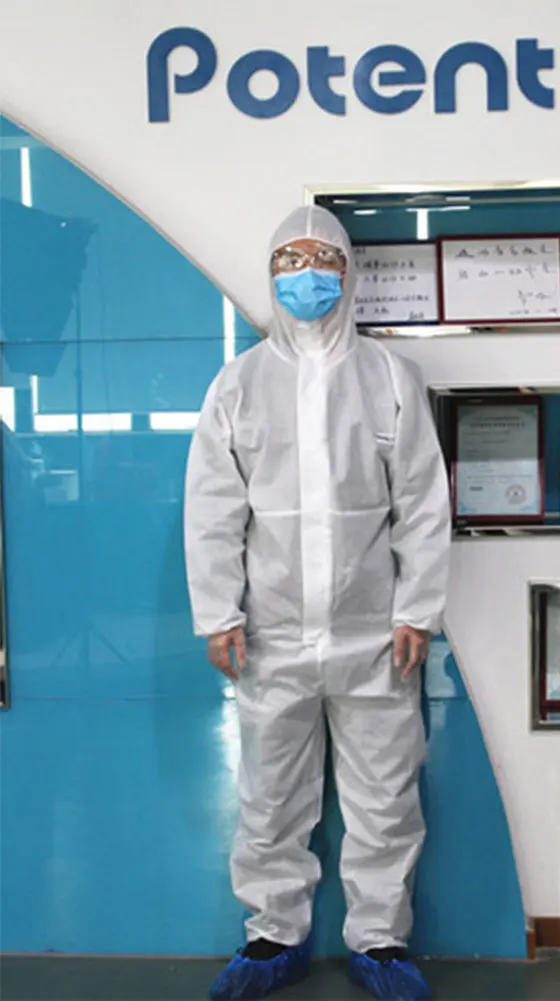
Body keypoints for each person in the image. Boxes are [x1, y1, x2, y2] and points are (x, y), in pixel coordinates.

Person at [184, 205, 451, 1001]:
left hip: (375, 635)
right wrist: (218, 613)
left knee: (385, 795)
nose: (305, 275)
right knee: (269, 794)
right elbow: (212, 508)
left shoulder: (390, 378)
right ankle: (273, 936)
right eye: (288, 260)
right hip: (269, 633)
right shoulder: (239, 384)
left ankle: (381, 941)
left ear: (347, 271)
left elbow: (422, 502)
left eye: (321, 258)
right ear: (270, 275)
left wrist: (417, 609)